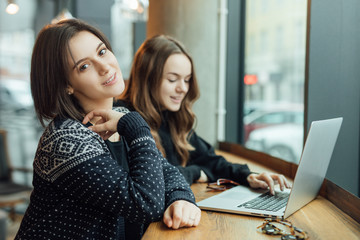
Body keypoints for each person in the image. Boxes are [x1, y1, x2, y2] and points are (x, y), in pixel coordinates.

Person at [15, 20, 200, 240]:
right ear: (66, 85)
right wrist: (136, 125)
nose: (105, 67)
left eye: (102, 52)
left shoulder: (120, 116)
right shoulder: (66, 138)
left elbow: (167, 173)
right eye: (84, 66)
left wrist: (181, 199)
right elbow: (145, 204)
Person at [117, 35, 291, 195]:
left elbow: (209, 160)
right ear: (147, 78)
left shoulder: (171, 117)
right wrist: (195, 172)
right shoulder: (122, 118)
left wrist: (248, 176)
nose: (183, 88)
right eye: (172, 79)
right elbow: (154, 180)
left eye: (186, 80)